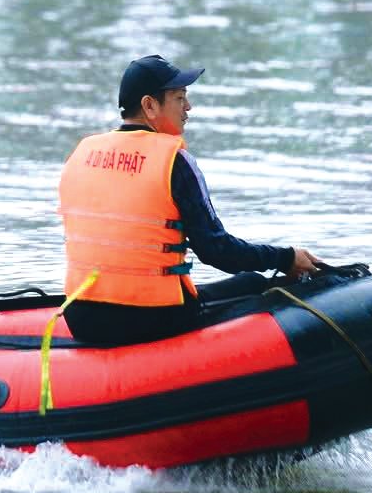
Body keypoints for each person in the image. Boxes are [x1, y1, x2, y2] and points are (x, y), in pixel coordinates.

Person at [57, 54, 320, 347]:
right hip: (152, 318)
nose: (188, 107)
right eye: (179, 98)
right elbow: (217, 251)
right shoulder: (174, 161)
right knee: (255, 284)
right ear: (149, 105)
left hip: (81, 317)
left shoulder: (81, 154)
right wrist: (285, 257)